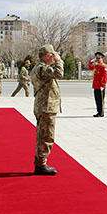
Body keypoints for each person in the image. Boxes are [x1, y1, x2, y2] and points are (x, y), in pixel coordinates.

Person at [31, 44, 65, 175]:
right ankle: (41, 164)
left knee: (42, 134)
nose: (54, 56)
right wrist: (59, 61)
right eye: (53, 54)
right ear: (47, 56)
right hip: (46, 106)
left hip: (43, 105)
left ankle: (40, 162)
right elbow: (59, 74)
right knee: (46, 136)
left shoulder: (39, 67)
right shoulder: (42, 68)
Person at [90, 52, 107, 117]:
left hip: (100, 85)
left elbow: (104, 76)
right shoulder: (96, 65)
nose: (98, 59)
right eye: (96, 58)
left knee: (101, 100)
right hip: (96, 85)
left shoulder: (103, 66)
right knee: (97, 99)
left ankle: (101, 112)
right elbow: (90, 67)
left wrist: (103, 85)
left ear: (102, 58)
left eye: (99, 58)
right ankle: (98, 111)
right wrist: (91, 61)